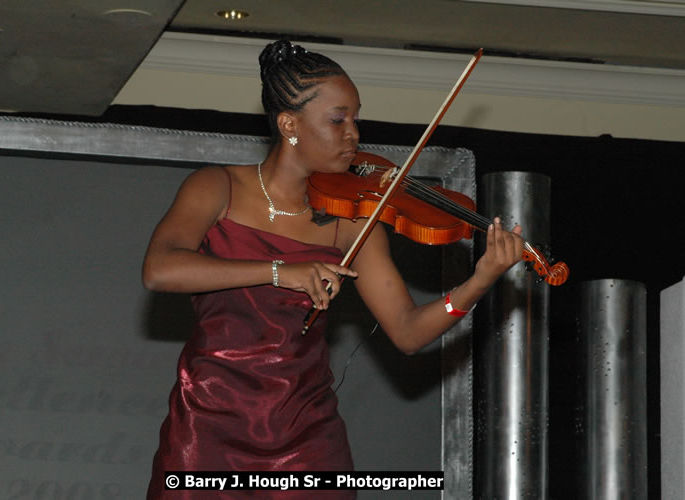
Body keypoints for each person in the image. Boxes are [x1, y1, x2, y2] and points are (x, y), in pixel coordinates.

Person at [143, 40, 524, 499]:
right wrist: (280, 271)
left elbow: (406, 331)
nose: (354, 135)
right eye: (337, 119)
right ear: (289, 125)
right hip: (209, 424)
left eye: (356, 119)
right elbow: (160, 270)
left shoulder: (353, 221)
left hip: (307, 432)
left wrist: (480, 280)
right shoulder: (217, 186)